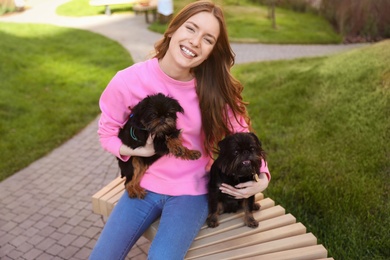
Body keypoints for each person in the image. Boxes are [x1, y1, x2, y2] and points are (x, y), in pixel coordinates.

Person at [90, 1, 270, 259]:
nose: (196, 42)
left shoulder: (213, 89)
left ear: (211, 51)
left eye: (207, 39)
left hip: (192, 193)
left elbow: (243, 133)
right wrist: (136, 149)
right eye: (191, 28)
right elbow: (107, 133)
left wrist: (262, 176)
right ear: (173, 28)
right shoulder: (128, 81)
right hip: (143, 185)